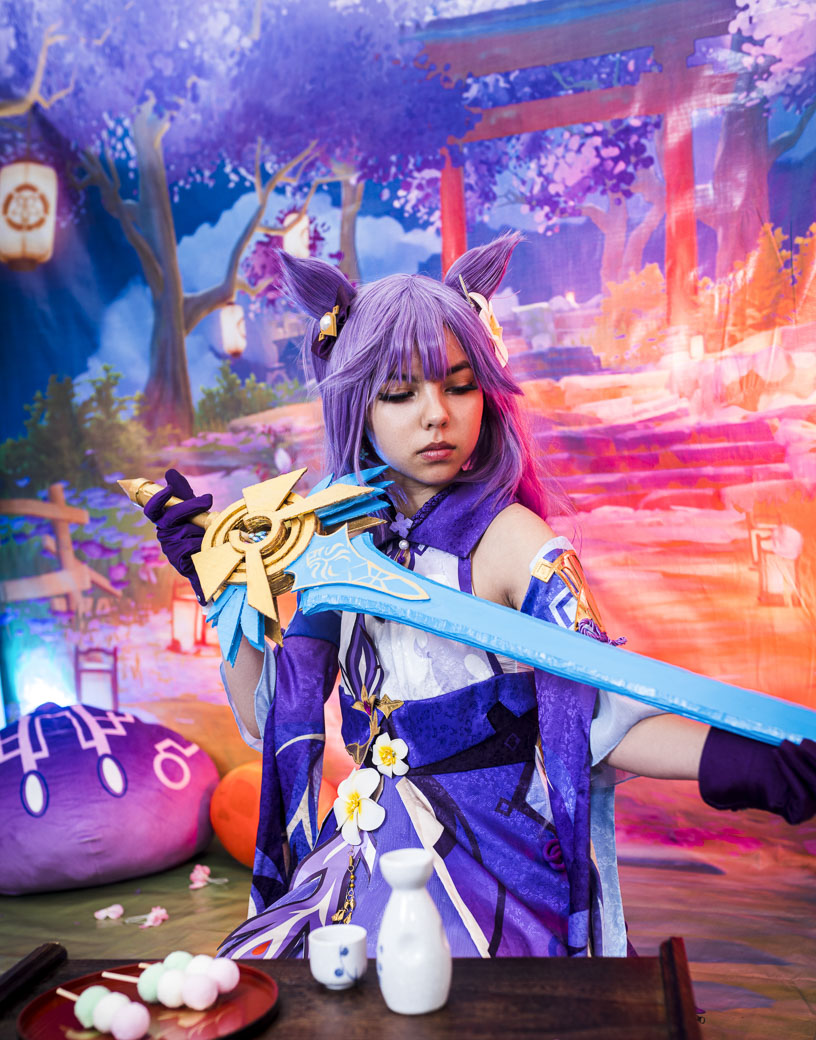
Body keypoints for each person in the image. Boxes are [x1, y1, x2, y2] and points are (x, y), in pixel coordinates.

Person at [145, 234, 816, 961]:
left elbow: (596, 713)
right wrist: (221, 583)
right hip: (362, 856)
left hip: (493, 862)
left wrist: (746, 763)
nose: (436, 414)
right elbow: (268, 718)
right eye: (399, 393)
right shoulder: (336, 548)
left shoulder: (511, 540)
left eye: (459, 386)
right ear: (356, 407)